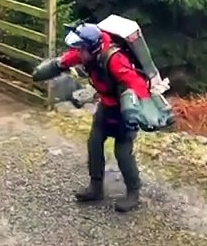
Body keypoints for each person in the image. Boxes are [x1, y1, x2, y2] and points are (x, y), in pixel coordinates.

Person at [31, 23, 155, 212]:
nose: (78, 53)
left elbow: (137, 85)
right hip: (106, 106)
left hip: (124, 110)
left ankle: (133, 194)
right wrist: (48, 70)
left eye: (80, 49)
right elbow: (64, 61)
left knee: (122, 152)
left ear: (92, 48)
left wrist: (138, 113)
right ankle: (96, 188)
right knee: (94, 143)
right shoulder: (86, 53)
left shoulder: (115, 60)